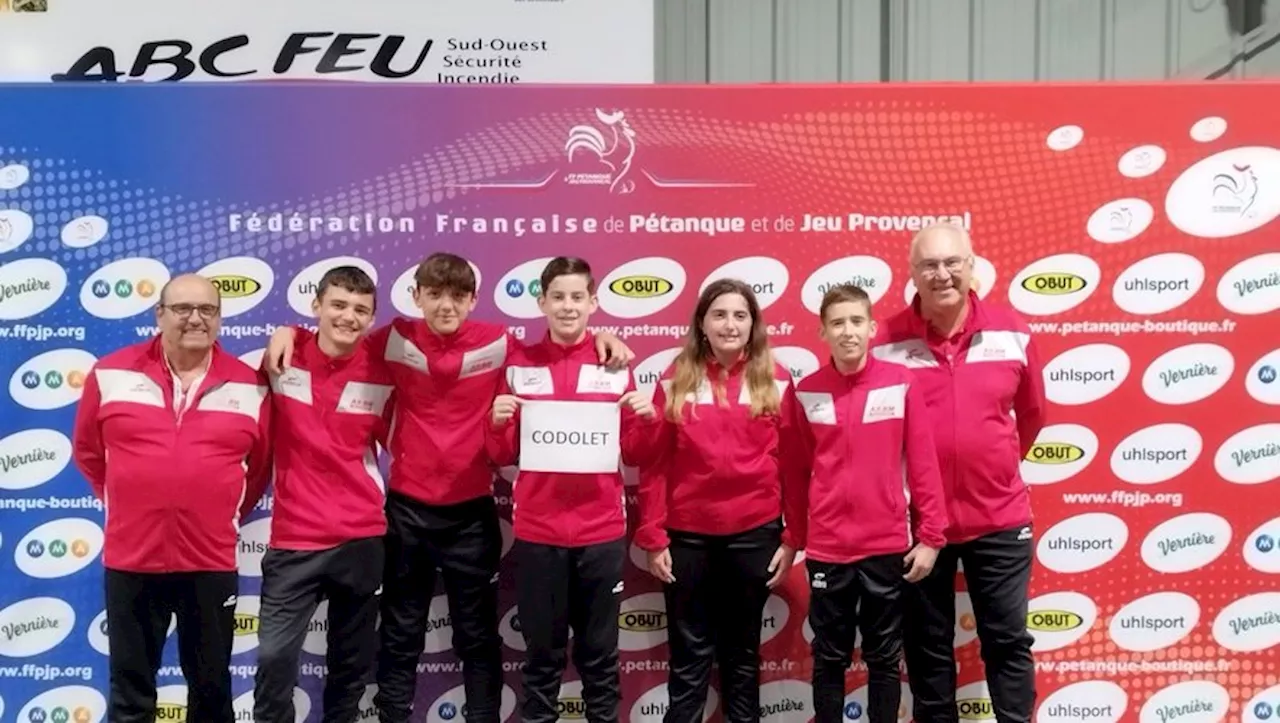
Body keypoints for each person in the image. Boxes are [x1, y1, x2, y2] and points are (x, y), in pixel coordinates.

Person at [262, 252, 634, 723]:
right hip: (406, 514)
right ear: (415, 295)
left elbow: (560, 347)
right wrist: (288, 332)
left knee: (477, 637)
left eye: (458, 296)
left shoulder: (501, 344)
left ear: (474, 299)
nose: (445, 306)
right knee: (400, 634)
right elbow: (334, 338)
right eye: (434, 294)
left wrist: (603, 337)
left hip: (472, 516)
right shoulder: (391, 339)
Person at [72, 274, 272, 723]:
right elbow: (87, 452)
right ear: (159, 314)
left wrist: (216, 512)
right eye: (182, 309)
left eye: (208, 310)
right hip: (131, 560)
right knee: (131, 689)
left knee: (211, 689)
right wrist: (129, 503)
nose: (195, 319)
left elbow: (258, 469)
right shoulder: (110, 373)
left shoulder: (250, 385)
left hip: (210, 562)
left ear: (220, 319)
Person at [873, 223, 1047, 723]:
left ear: (972, 266)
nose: (942, 274)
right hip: (918, 524)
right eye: (929, 265)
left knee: (1008, 640)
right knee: (926, 647)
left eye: (953, 263)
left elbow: (1032, 416)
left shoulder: (1012, 332)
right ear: (912, 273)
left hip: (999, 517)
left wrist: (990, 468)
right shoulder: (883, 341)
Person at [485, 256, 656, 723]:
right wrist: (497, 422)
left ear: (593, 302)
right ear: (541, 302)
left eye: (577, 297)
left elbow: (638, 454)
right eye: (557, 297)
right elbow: (500, 454)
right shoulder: (519, 364)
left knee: (600, 659)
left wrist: (645, 418)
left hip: (600, 534)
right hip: (539, 535)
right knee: (542, 659)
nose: (567, 306)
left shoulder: (615, 364)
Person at [635, 278, 807, 723]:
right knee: (689, 659)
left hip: (754, 535)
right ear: (702, 323)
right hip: (688, 539)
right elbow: (654, 464)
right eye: (719, 314)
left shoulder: (777, 379)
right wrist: (653, 536)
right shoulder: (675, 378)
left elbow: (792, 463)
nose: (730, 324)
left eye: (740, 315)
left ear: (753, 324)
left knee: (742, 655)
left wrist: (792, 537)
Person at [794, 283, 948, 723]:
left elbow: (923, 464)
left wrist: (932, 536)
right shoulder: (807, 392)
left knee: (883, 659)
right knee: (828, 659)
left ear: (872, 328)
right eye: (837, 323)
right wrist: (795, 537)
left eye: (856, 322)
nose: (848, 332)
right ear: (822, 332)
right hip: (827, 550)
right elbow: (795, 470)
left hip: (885, 547)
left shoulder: (901, 384)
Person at [253, 266, 395, 723]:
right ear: (316, 306)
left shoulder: (384, 373)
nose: (348, 317)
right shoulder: (278, 361)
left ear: (372, 318)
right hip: (295, 541)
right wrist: (284, 331)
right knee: (274, 658)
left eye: (360, 310)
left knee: (350, 669)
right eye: (337, 305)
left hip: (362, 539)